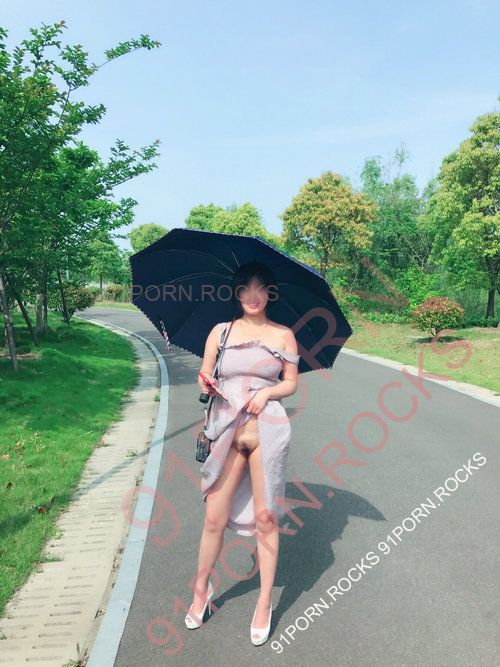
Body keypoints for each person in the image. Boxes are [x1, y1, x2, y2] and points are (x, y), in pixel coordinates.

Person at [185, 261, 300, 645]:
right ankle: (201, 590)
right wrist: (205, 381)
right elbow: (205, 374)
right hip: (225, 430)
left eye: (260, 288)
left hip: (267, 431)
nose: (253, 296)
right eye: (245, 288)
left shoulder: (283, 335)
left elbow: (290, 383)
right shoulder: (221, 332)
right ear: (236, 293)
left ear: (270, 293)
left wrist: (267, 393)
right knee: (213, 518)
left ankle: (264, 602)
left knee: (266, 518)